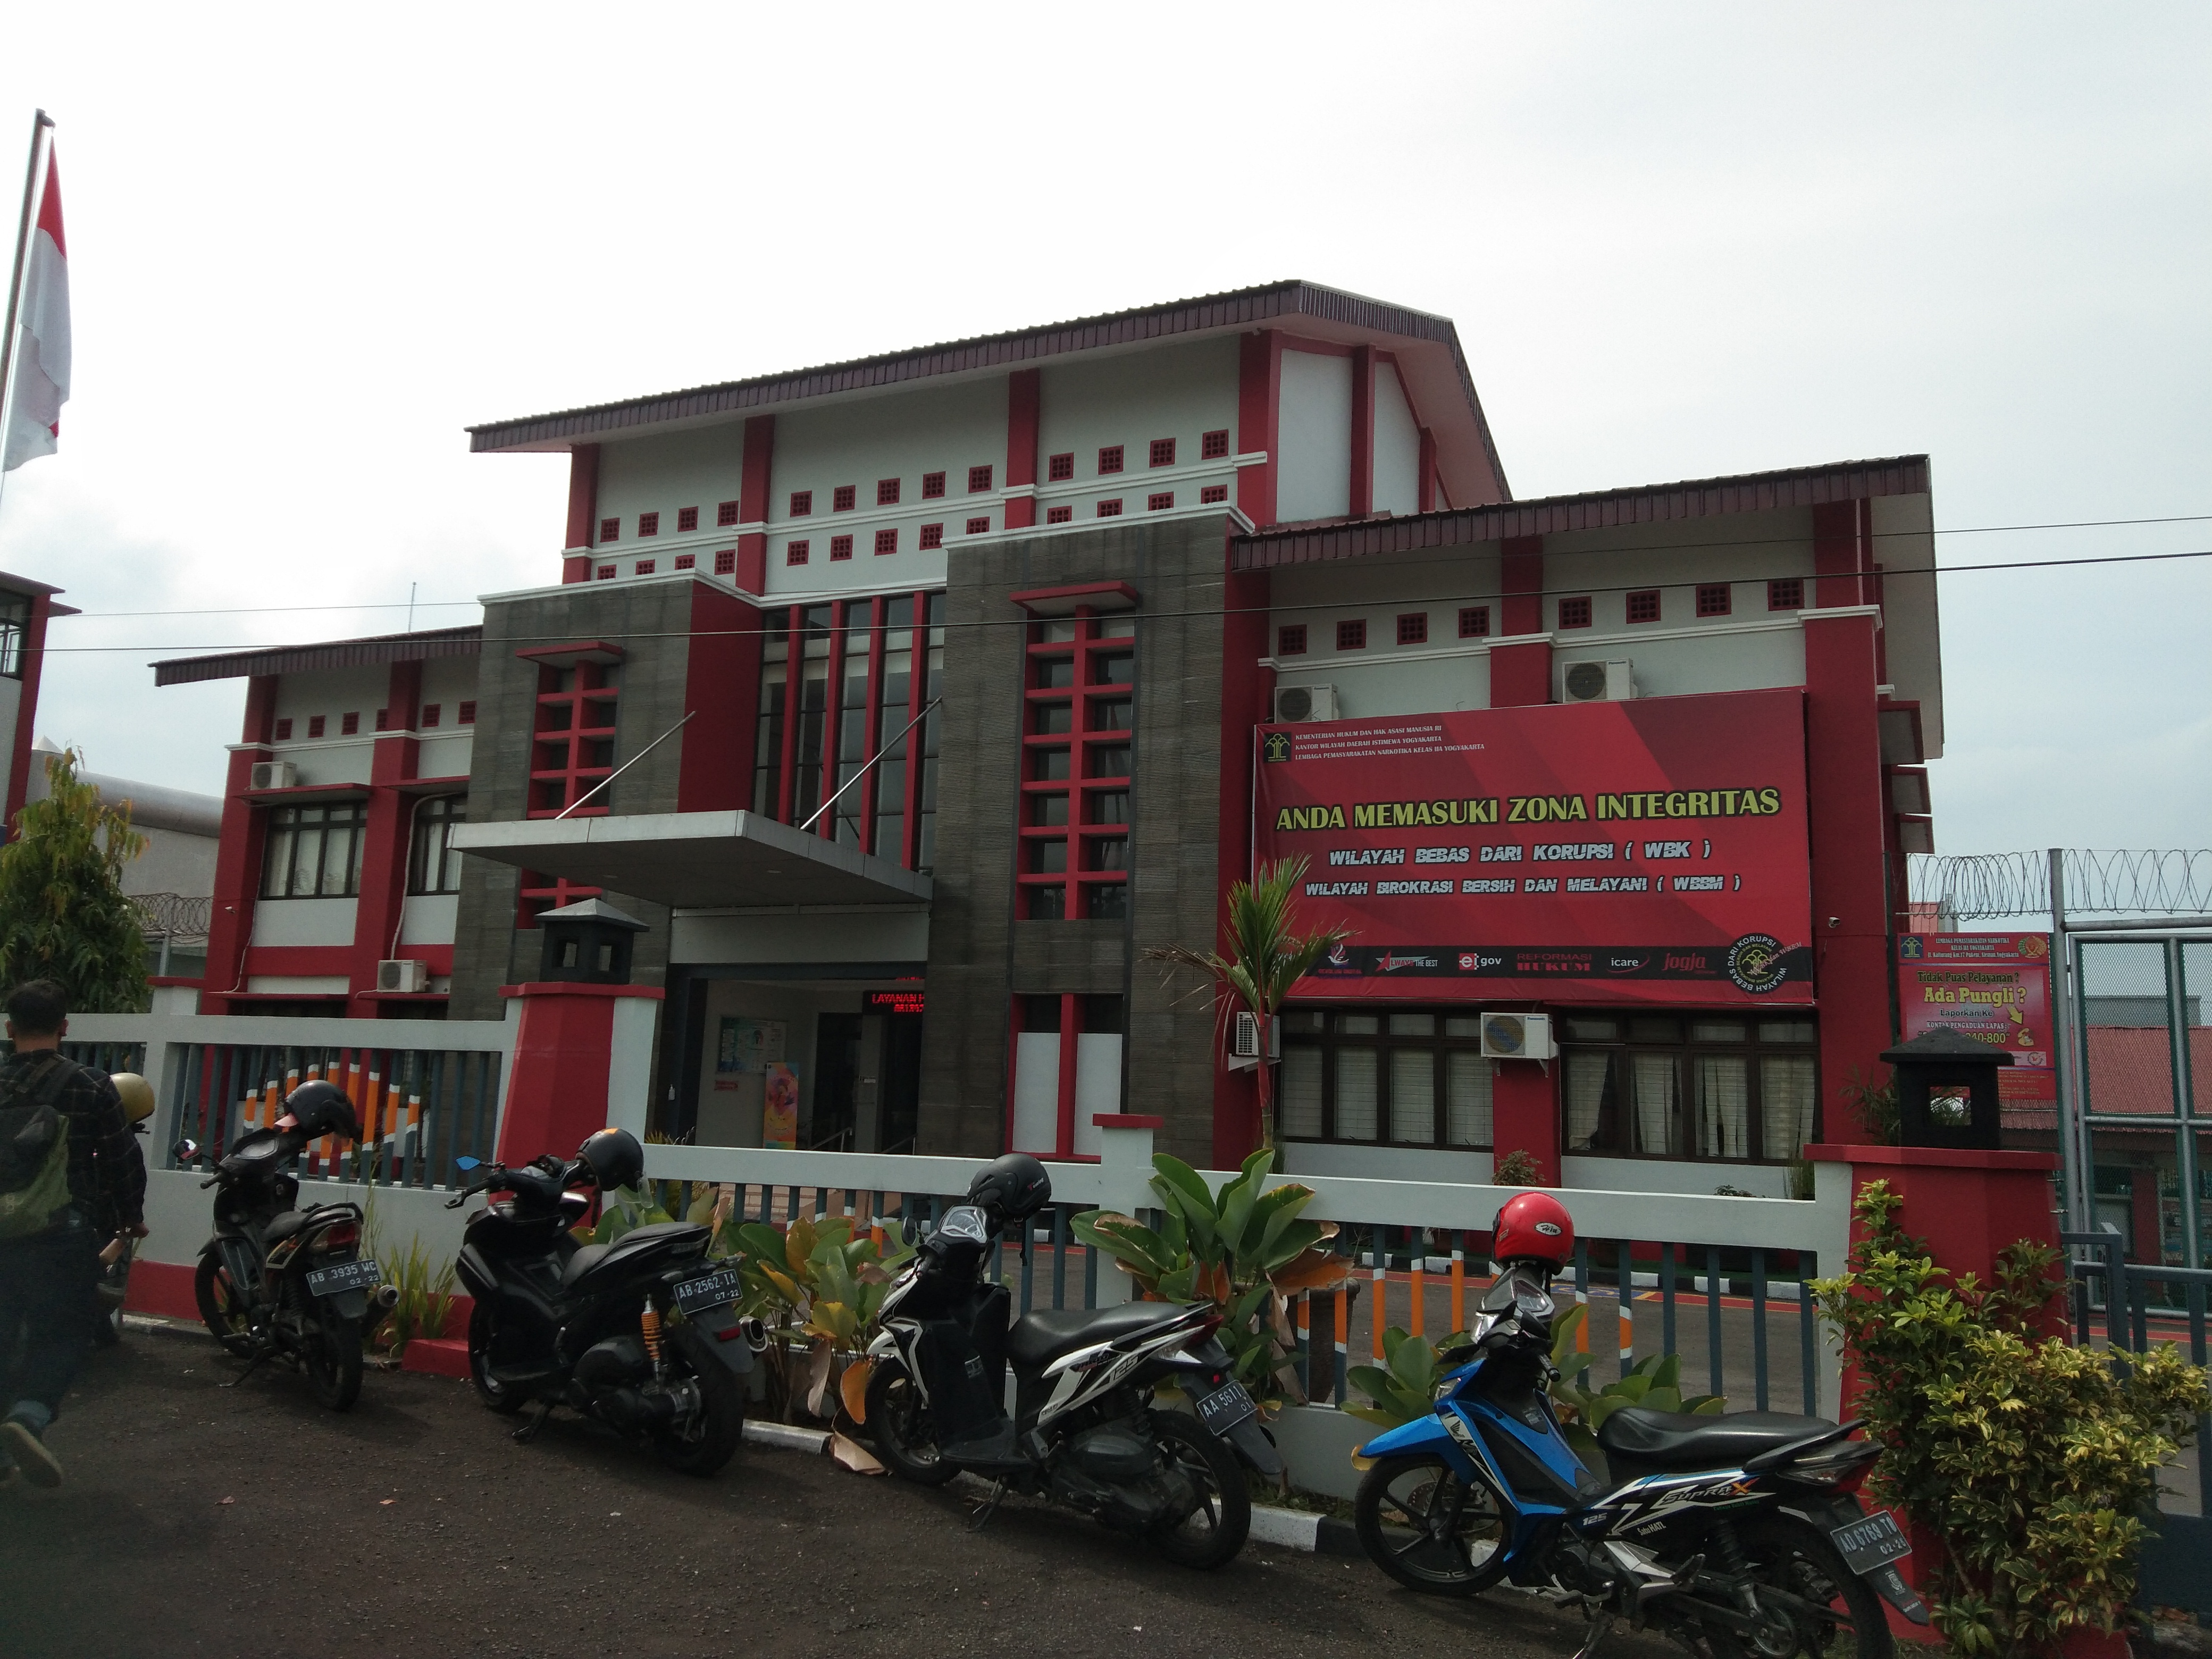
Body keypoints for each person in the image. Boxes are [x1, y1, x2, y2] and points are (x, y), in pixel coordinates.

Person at [0, 981, 145, 1489]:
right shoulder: (90, 1085)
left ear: (10, 1027)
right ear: (65, 1026)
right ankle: (30, 1414)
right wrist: (130, 1218)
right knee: (63, 1331)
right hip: (63, 1234)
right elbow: (124, 1158)